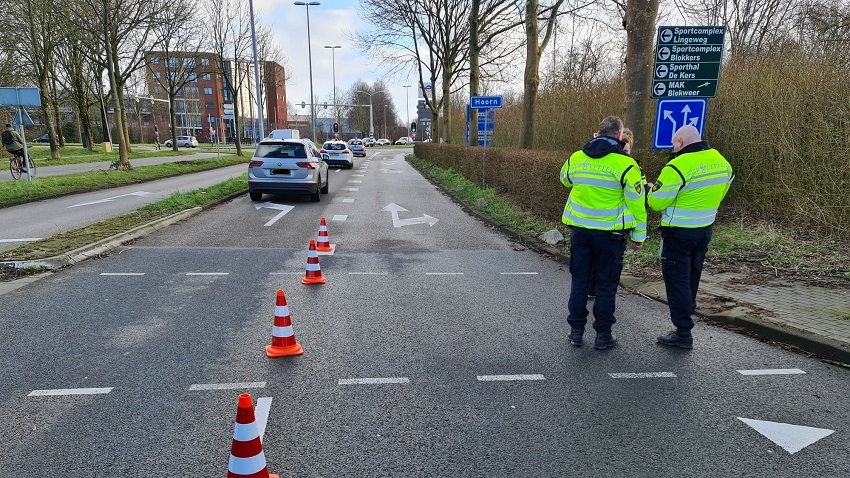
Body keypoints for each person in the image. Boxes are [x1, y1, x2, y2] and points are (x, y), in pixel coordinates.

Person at [560, 116, 647, 350]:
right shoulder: (626, 164)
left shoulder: (577, 157)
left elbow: (565, 180)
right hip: (611, 235)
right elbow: (637, 203)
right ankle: (603, 336)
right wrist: (639, 235)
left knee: (579, 281)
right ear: (619, 136)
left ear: (597, 133)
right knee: (606, 285)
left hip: (580, 231)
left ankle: (576, 332)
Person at [647, 125, 734, 349]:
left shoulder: (677, 166)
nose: (672, 148)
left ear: (681, 143)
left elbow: (656, 202)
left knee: (677, 281)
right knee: (692, 277)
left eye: (674, 144)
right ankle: (687, 315)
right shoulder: (721, 161)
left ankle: (683, 332)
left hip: (678, 232)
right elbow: (722, 191)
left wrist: (651, 190)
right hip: (704, 229)